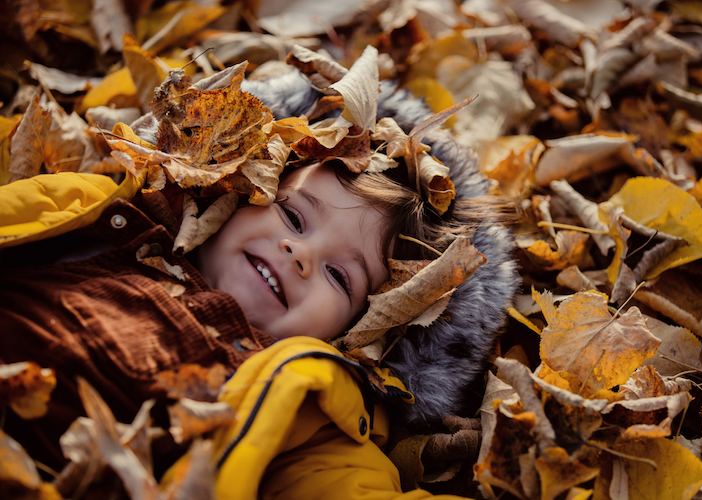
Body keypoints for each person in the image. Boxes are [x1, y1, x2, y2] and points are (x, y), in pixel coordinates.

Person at [0, 71, 519, 499]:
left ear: (364, 333)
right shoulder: (104, 218)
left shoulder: (309, 413)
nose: (300, 254)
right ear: (237, 186)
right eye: (293, 218)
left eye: (339, 276)